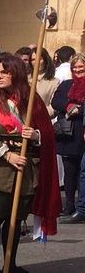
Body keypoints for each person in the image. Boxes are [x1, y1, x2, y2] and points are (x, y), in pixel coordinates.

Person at [0, 54, 60, 273]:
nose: (0, 77)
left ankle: (10, 263)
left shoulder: (32, 102)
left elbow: (47, 135)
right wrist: (7, 154)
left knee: (14, 222)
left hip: (24, 171)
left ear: (16, 73)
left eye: (5, 72)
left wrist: (35, 134)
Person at [55, 53, 85, 223]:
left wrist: (79, 110)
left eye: (81, 67)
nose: (78, 70)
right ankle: (69, 205)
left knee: (82, 171)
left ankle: (82, 206)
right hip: (68, 134)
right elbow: (55, 101)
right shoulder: (66, 84)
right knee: (69, 172)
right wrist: (68, 105)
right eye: (75, 68)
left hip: (82, 132)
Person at [31, 48, 59, 118]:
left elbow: (54, 106)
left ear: (45, 60)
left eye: (39, 59)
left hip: (44, 120)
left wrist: (40, 114)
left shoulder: (54, 82)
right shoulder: (25, 79)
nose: (36, 62)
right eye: (33, 60)